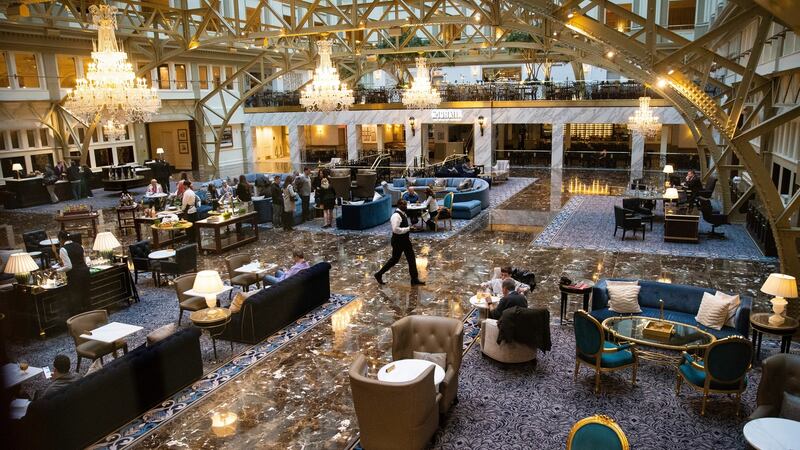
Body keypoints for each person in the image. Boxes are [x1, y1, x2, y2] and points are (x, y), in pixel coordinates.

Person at [374, 199, 425, 286]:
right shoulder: (396, 216)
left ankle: (414, 279)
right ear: (399, 205)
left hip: (405, 240)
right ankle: (379, 274)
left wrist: (410, 228)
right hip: (398, 241)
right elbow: (395, 230)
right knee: (394, 260)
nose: (405, 206)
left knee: (411, 259)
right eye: (403, 205)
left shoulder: (402, 214)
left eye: (405, 204)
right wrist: (408, 229)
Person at [57, 230, 90, 314]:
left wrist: (57, 271)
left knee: (76, 297)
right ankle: (89, 314)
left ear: (61, 239)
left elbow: (69, 267)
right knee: (86, 294)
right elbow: (84, 260)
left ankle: (79, 317)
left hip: (75, 276)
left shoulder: (63, 249)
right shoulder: (79, 245)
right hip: (85, 273)